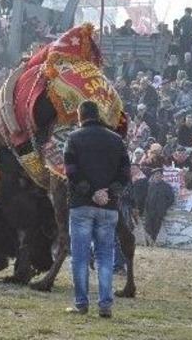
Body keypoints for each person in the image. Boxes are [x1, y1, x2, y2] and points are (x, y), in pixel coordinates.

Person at [64, 101, 130, 319]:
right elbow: (125, 175)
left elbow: (71, 172)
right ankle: (105, 304)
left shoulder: (73, 139)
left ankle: (81, 303)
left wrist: (91, 192)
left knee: (80, 257)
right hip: (108, 207)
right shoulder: (117, 140)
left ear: (80, 116)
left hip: (82, 205)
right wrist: (107, 194)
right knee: (105, 257)